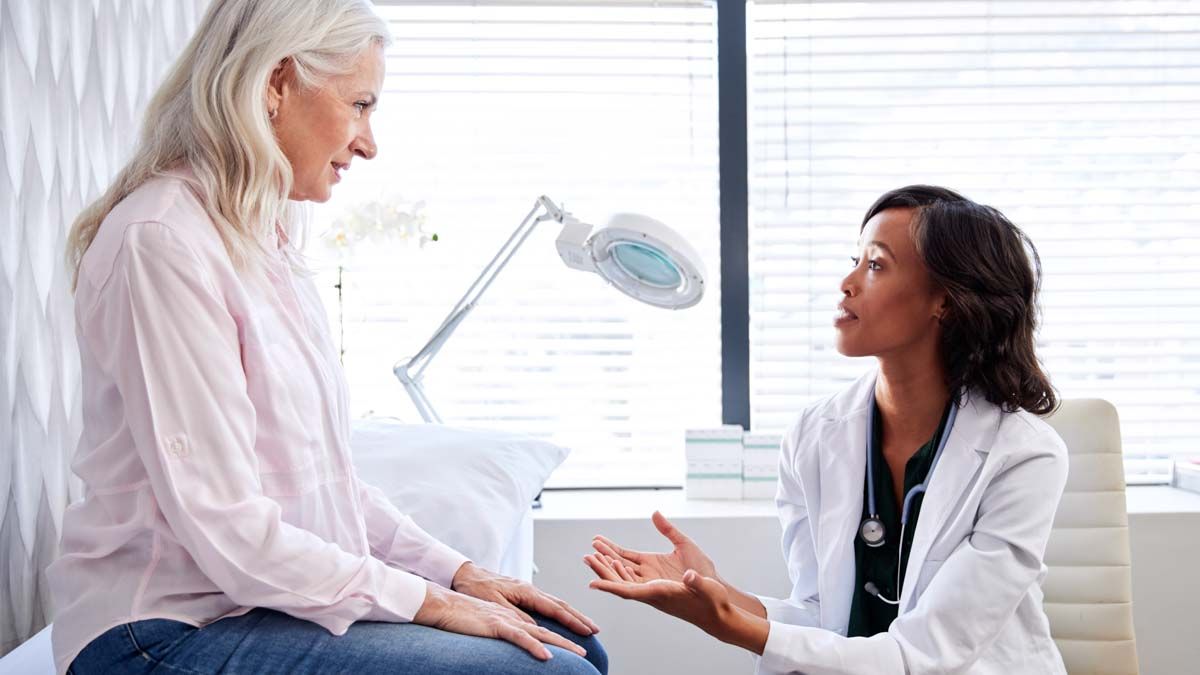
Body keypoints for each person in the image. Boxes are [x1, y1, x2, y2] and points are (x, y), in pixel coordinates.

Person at [49, 1, 606, 673]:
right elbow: (231, 529)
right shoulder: (163, 242)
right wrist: (428, 601)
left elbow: (328, 487)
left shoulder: (265, 243)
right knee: (554, 670)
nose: (368, 142)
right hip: (159, 633)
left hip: (250, 608)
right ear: (277, 83)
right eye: (359, 105)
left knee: (573, 644)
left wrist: (459, 573)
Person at [585, 185, 1068, 674]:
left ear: (943, 300)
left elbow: (922, 656)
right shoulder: (813, 435)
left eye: (875, 265)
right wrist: (712, 592)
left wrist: (730, 623)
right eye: (854, 260)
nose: (847, 282)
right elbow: (822, 618)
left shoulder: (1023, 457)